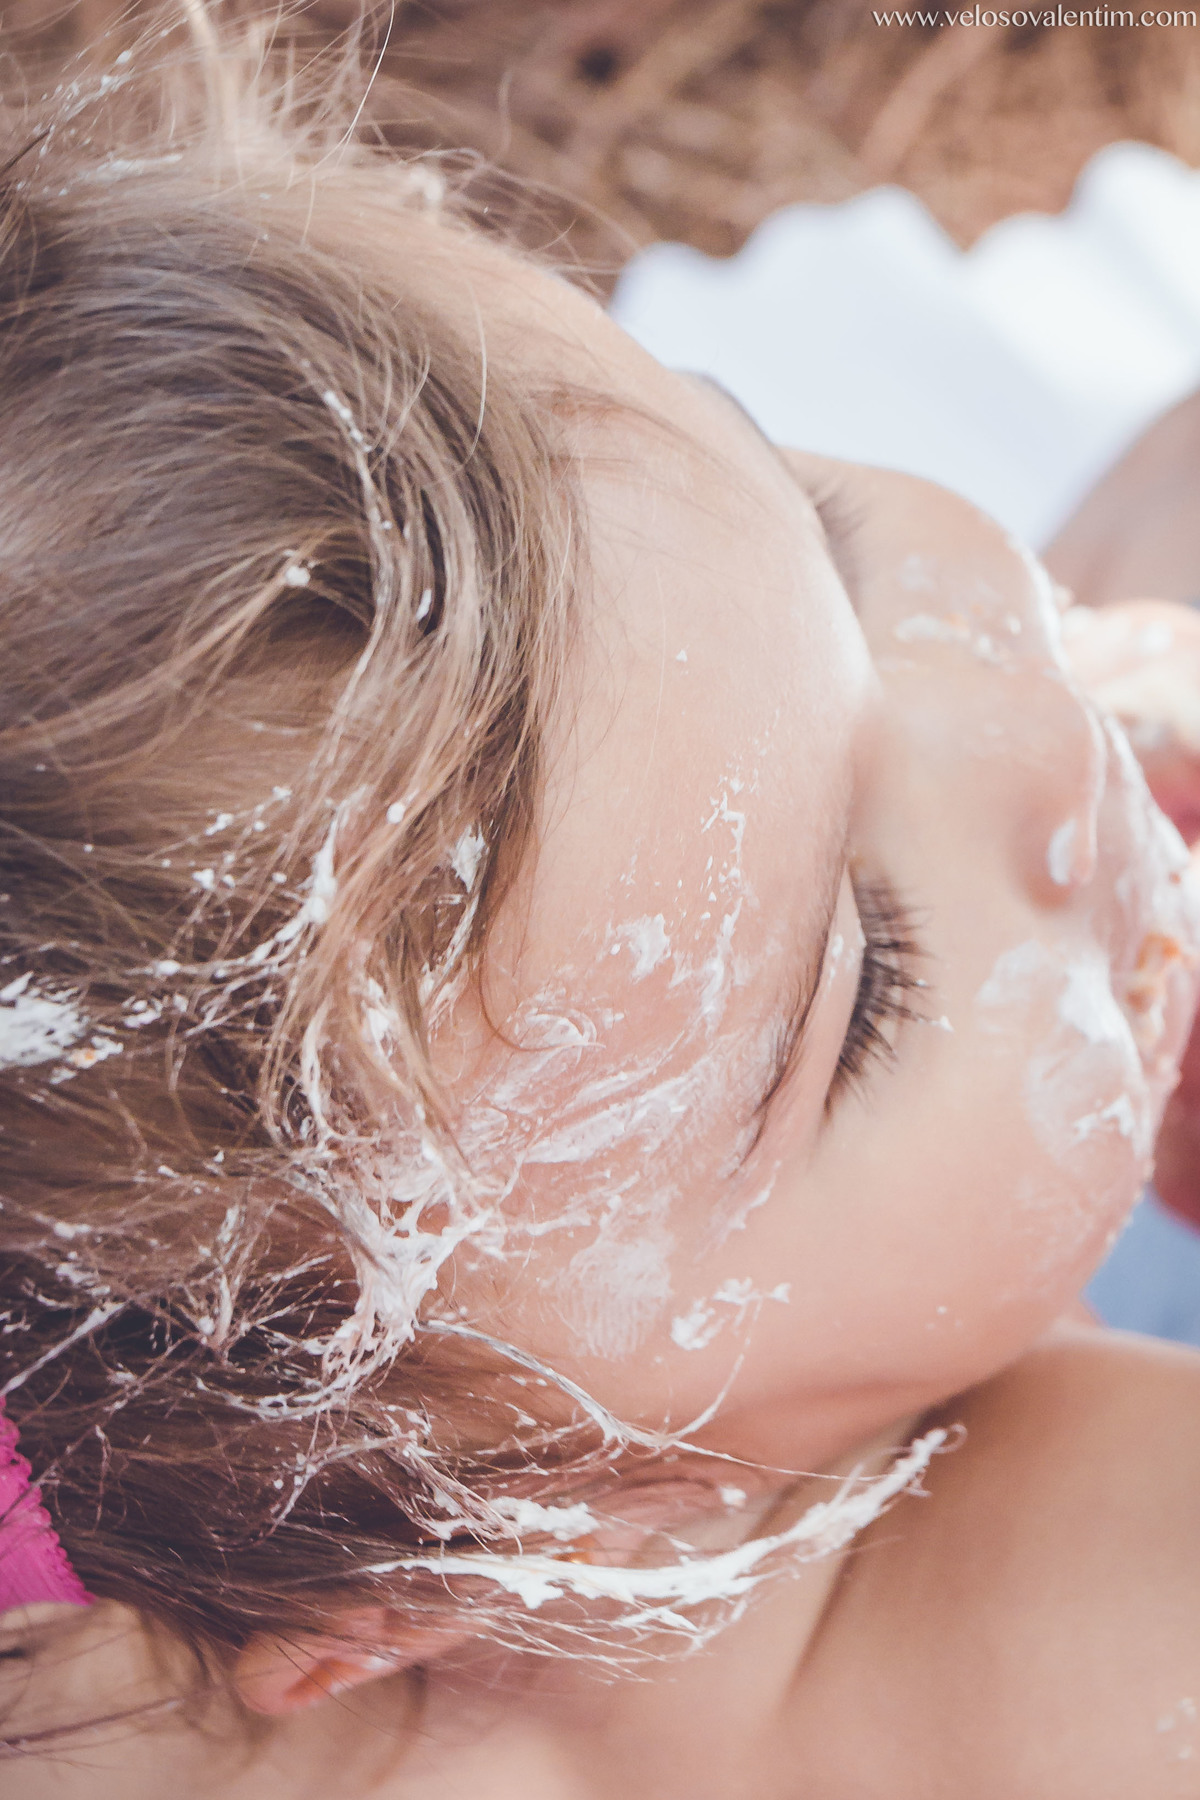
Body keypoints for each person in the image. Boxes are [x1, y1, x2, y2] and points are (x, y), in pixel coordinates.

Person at [3, 19, 1200, 1796]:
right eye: (870, 986)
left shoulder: (591, 1316)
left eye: (822, 537)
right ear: (449, 1560)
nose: (1035, 747)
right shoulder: (1070, 1632)